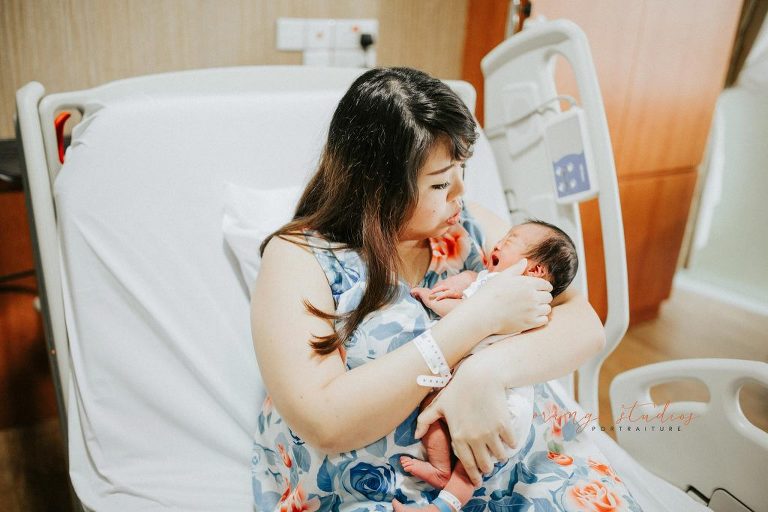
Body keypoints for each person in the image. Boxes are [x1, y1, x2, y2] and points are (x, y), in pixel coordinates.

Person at [250, 67, 640, 511]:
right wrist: (477, 321)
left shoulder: (469, 227)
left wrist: (485, 374)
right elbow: (325, 420)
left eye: (461, 171)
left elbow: (583, 325)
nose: (461, 192)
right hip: (390, 494)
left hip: (528, 473)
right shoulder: (300, 257)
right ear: (377, 189)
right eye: (439, 183)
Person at [397, 221, 579, 512]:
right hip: (467, 384)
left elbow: (467, 315)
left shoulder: (520, 295)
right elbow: (472, 280)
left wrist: (432, 300)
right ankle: (441, 469)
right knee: (434, 413)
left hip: (505, 405)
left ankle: (445, 505)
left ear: (534, 271)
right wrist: (461, 282)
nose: (498, 243)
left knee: (474, 460)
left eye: (511, 240)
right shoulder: (488, 279)